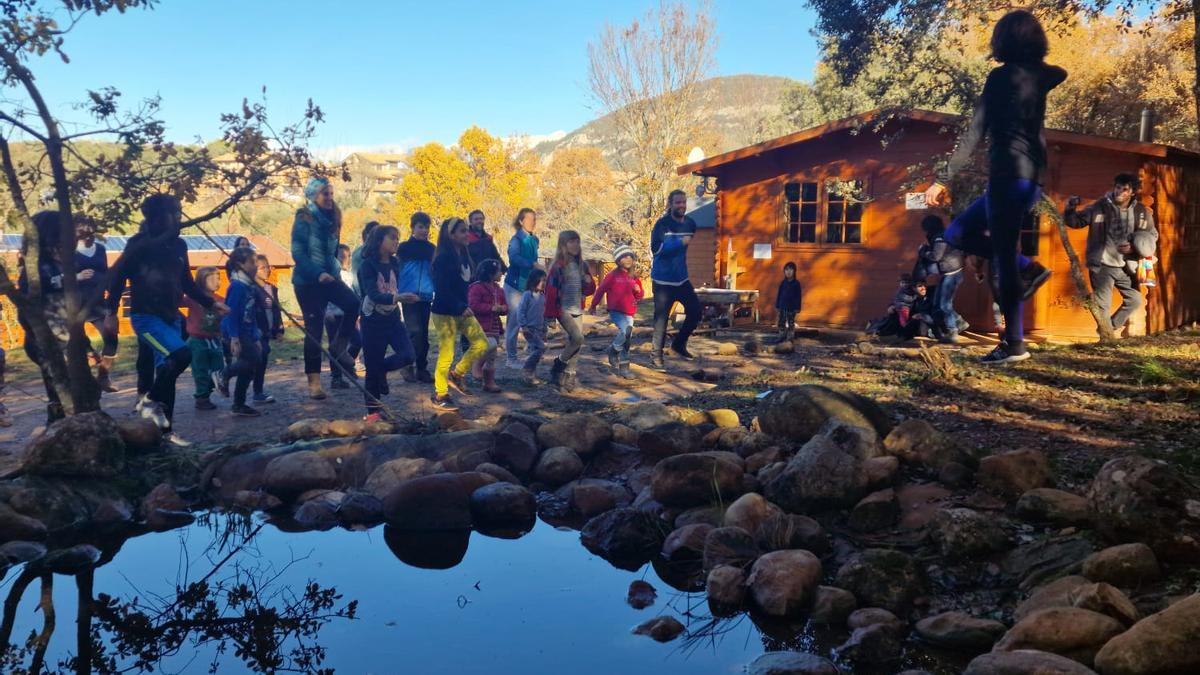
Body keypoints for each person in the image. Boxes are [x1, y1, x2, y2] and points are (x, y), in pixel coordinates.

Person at [924, 9, 1064, 365]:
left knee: (1000, 258)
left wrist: (944, 177)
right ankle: (1027, 267)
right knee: (956, 232)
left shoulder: (1000, 79)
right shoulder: (1043, 75)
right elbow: (1059, 71)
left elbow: (975, 131)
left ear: (1002, 41)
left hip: (1005, 176)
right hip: (1030, 180)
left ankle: (1014, 344)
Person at [107, 194, 227, 445]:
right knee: (181, 355)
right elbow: (117, 278)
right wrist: (110, 313)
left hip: (171, 317)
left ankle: (166, 432)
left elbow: (186, 283)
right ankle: (149, 400)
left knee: (167, 371)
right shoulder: (138, 244)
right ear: (158, 217)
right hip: (145, 319)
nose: (179, 217)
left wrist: (211, 303)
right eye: (175, 212)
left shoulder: (179, 246)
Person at [1064, 172, 1159, 336]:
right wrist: (1070, 209)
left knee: (1135, 300)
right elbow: (1076, 222)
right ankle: (1106, 338)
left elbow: (1152, 235)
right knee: (1103, 305)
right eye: (1117, 187)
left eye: (1125, 189)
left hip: (1128, 266)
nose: (1119, 192)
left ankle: (1109, 328)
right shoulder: (1099, 206)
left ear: (1132, 192)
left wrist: (1135, 248)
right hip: (1102, 265)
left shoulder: (1141, 211)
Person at [291, 176, 358, 399]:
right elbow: (298, 253)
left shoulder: (334, 217)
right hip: (308, 281)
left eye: (331, 193)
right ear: (313, 196)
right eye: (325, 194)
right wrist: (317, 273)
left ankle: (339, 346)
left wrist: (334, 271)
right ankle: (314, 384)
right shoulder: (304, 218)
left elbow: (332, 251)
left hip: (330, 277)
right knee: (314, 329)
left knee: (352, 303)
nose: (330, 197)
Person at [16, 211, 71, 425]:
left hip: (64, 338)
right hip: (46, 340)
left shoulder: (60, 263)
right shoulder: (36, 267)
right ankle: (57, 432)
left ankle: (62, 428)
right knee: (60, 393)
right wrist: (40, 337)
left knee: (69, 390)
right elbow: (26, 309)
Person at [357, 225, 416, 421]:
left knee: (408, 355)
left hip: (392, 317)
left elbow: (395, 287)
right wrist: (397, 298)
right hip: (372, 320)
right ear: (379, 240)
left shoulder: (395, 262)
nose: (396, 241)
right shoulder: (367, 265)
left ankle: (382, 369)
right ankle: (373, 412)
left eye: (397, 238)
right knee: (372, 368)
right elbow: (372, 294)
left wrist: (402, 298)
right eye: (392, 238)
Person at [430, 217, 490, 410]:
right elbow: (442, 289)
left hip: (462, 309)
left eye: (467, 230)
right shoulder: (443, 258)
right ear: (451, 234)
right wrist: (459, 306)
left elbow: (464, 285)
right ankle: (440, 394)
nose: (467, 234)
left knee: (482, 344)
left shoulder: (464, 255)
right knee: (446, 353)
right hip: (445, 312)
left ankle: (457, 375)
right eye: (462, 231)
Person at [649, 189, 701, 370]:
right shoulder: (662, 225)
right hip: (662, 282)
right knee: (661, 320)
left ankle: (678, 345)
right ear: (670, 204)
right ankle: (656, 357)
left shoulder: (690, 224)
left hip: (681, 279)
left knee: (696, 312)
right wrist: (679, 242)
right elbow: (656, 250)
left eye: (684, 202)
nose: (681, 205)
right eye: (678, 202)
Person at [545, 230, 595, 392]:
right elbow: (550, 292)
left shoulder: (583, 265)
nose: (575, 245)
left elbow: (588, 290)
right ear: (563, 245)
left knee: (576, 343)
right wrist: (550, 316)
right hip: (562, 309)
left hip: (577, 308)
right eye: (571, 242)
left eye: (577, 242)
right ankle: (558, 365)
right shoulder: (558, 266)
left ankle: (569, 375)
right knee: (578, 338)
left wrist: (589, 282)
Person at [74, 222, 119, 392]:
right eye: (83, 235)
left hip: (99, 302)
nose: (88, 238)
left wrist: (110, 290)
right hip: (78, 303)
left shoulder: (100, 249)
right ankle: (91, 357)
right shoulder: (69, 251)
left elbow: (105, 271)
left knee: (111, 338)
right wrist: (77, 276)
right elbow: (61, 275)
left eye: (90, 234)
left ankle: (103, 376)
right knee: (79, 339)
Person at [588, 244, 643, 379]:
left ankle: (624, 368)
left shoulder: (634, 277)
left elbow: (640, 296)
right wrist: (593, 305)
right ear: (618, 261)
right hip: (616, 311)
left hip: (629, 311)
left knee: (627, 339)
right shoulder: (612, 275)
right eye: (624, 257)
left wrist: (638, 291)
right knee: (626, 332)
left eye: (630, 256)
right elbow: (601, 289)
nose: (628, 259)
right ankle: (613, 351)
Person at [220, 247, 263, 417]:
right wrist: (234, 337)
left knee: (250, 367)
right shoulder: (237, 286)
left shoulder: (249, 286)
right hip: (234, 331)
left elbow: (250, 314)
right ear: (240, 265)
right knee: (254, 359)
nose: (255, 266)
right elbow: (232, 313)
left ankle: (239, 404)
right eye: (252, 262)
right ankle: (224, 373)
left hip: (246, 331)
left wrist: (256, 336)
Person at [398, 212, 436, 384]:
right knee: (414, 332)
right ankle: (407, 364)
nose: (424, 230)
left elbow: (435, 271)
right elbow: (397, 268)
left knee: (424, 335)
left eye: (426, 227)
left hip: (426, 295)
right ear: (413, 227)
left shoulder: (432, 249)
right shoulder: (404, 248)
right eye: (420, 227)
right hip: (409, 294)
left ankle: (422, 368)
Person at [919, 215, 967, 342]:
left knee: (944, 304)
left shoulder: (940, 237)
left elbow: (936, 256)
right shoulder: (942, 234)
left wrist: (923, 251)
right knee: (938, 304)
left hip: (952, 273)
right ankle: (957, 323)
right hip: (949, 272)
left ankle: (953, 330)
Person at [183, 266, 225, 411]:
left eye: (218, 277)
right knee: (200, 370)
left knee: (219, 369)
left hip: (215, 340)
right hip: (196, 340)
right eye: (211, 278)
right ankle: (202, 398)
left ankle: (212, 389)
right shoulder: (193, 298)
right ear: (201, 280)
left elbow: (227, 316)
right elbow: (176, 302)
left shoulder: (220, 300)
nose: (216, 281)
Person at [503, 207, 540, 369]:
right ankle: (511, 358)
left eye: (534, 219)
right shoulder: (516, 240)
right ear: (521, 221)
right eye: (529, 219)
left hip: (529, 286)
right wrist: (532, 264)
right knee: (515, 321)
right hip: (515, 285)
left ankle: (532, 352)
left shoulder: (534, 240)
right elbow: (514, 258)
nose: (532, 223)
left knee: (531, 319)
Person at [467, 259, 508, 393]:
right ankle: (476, 364)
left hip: (494, 327)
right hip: (480, 326)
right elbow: (473, 305)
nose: (502, 273)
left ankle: (489, 383)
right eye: (499, 271)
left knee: (492, 356)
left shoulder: (498, 290)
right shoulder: (476, 287)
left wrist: (503, 308)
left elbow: (505, 306)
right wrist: (490, 308)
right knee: (489, 345)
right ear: (490, 273)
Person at [326, 243, 362, 390]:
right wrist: (326, 311)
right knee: (334, 346)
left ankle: (347, 364)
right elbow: (326, 295)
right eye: (341, 256)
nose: (345, 259)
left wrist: (357, 313)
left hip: (348, 316)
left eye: (347, 256)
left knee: (357, 340)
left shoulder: (349, 275)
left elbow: (355, 294)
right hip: (333, 314)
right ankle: (336, 377)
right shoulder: (332, 275)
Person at [253, 254, 283, 404]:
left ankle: (258, 391)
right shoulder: (252, 289)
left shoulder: (272, 289)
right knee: (259, 357)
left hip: (267, 330)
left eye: (267, 267)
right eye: (262, 268)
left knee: (263, 359)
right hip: (255, 331)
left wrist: (279, 329)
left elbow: (276, 310)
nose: (266, 270)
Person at [516, 269, 548, 384]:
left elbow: (543, 313)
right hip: (529, 329)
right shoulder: (527, 295)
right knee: (541, 348)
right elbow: (520, 312)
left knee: (536, 351)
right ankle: (527, 367)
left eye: (546, 280)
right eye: (542, 280)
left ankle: (530, 377)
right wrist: (523, 326)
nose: (544, 283)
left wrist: (545, 329)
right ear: (534, 280)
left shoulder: (543, 296)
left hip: (539, 329)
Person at [466, 209, 506, 276]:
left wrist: (505, 270)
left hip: (488, 277)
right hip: (472, 278)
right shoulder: (465, 239)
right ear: (470, 222)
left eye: (481, 219)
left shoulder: (488, 238)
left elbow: (495, 256)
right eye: (476, 219)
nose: (479, 221)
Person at [350, 221, 379, 298]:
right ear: (368, 235)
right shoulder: (362, 253)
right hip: (367, 294)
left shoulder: (356, 252)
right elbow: (357, 276)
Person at [775, 261, 802, 342]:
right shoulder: (783, 283)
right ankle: (781, 335)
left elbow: (798, 296)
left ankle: (790, 337)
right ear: (784, 272)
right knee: (781, 322)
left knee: (791, 322)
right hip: (782, 306)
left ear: (794, 271)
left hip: (792, 307)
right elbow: (779, 294)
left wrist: (797, 307)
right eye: (786, 270)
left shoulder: (796, 284)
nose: (788, 272)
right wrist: (777, 305)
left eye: (790, 270)